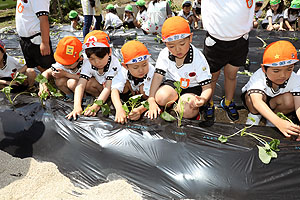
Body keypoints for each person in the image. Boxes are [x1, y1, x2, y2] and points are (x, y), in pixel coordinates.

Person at [145, 16, 212, 120]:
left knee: (188, 110)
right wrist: (151, 99)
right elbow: (158, 77)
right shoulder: (164, 54)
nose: (177, 49)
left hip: (192, 87)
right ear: (165, 44)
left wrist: (203, 99)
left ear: (190, 38)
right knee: (161, 97)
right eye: (171, 46)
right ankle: (174, 103)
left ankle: (180, 107)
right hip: (173, 84)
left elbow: (207, 87)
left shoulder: (198, 58)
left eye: (182, 44)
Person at [201, 0, 255, 123]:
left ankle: (228, 102)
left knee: (231, 75)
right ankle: (209, 103)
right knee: (212, 77)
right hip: (215, 41)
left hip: (240, 40)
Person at [242, 41, 300, 141]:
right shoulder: (258, 77)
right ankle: (254, 117)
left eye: (289, 69)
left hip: (276, 103)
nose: (283, 75)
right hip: (258, 102)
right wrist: (279, 122)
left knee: (290, 100)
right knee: (251, 99)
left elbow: (299, 105)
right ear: (264, 69)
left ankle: (271, 122)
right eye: (276, 71)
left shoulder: (295, 79)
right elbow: (257, 102)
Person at [66, 31, 121, 120]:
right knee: (76, 82)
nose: (96, 62)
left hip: (112, 90)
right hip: (100, 88)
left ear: (109, 52)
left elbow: (108, 88)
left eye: (100, 58)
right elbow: (81, 84)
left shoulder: (114, 63)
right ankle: (98, 98)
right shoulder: (87, 63)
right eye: (92, 59)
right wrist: (77, 106)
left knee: (111, 90)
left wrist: (96, 106)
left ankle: (108, 101)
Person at [111, 40, 155, 124]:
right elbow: (114, 90)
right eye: (135, 67)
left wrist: (140, 110)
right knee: (122, 87)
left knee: (144, 90)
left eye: (145, 64)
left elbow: (153, 97)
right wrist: (119, 109)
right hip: (131, 92)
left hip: (144, 96)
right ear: (125, 66)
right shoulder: (123, 71)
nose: (141, 70)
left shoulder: (152, 71)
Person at [15, 0, 55, 73]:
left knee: (46, 67)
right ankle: (45, 82)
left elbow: (44, 19)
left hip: (37, 39)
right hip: (25, 40)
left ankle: (51, 82)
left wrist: (45, 43)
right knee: (36, 66)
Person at [38, 36, 83, 100]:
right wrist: (42, 86)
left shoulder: (86, 63)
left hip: (85, 86)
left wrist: (65, 74)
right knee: (59, 81)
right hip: (73, 86)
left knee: (72, 83)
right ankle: (70, 96)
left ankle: (84, 98)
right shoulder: (61, 64)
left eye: (69, 64)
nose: (65, 66)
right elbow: (45, 73)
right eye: (63, 63)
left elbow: (87, 79)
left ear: (80, 59)